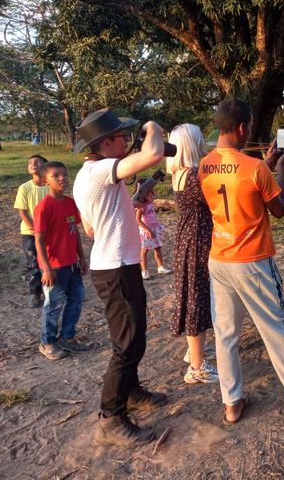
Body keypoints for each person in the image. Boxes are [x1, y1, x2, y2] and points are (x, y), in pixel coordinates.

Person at [199, 99, 284, 425]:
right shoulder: (254, 169)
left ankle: (231, 403)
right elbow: (279, 208)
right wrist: (278, 168)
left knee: (226, 335)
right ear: (242, 127)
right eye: (250, 126)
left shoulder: (205, 165)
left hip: (219, 258)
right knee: (275, 325)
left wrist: (266, 164)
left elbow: (236, 184)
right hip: (252, 260)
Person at [73, 108, 168, 446]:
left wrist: (133, 203)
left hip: (115, 265)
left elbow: (92, 227)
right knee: (128, 344)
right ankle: (110, 418)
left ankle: (131, 392)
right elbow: (153, 154)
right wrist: (152, 125)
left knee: (131, 336)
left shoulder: (87, 175)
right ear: (106, 143)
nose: (127, 141)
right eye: (123, 136)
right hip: (116, 268)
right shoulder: (101, 170)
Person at [167, 123, 218, 385]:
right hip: (199, 241)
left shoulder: (179, 173)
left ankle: (195, 350)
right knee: (197, 298)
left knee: (192, 295)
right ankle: (197, 367)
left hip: (187, 239)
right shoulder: (195, 175)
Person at [34, 161, 88, 360]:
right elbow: (38, 240)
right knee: (53, 304)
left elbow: (75, 232)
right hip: (55, 266)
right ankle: (47, 341)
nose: (62, 178)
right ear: (45, 181)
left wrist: (82, 257)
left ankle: (67, 336)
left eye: (64, 174)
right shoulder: (44, 207)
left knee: (76, 298)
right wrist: (47, 268)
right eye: (55, 175)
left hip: (72, 263)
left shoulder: (70, 203)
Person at [13, 154, 49, 308]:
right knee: (33, 262)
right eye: (30, 163)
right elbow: (22, 211)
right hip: (30, 232)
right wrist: (35, 229)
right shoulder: (25, 188)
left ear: (45, 166)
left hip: (49, 231)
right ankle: (35, 293)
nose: (33, 164)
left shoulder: (51, 186)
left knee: (50, 260)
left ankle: (53, 290)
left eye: (37, 162)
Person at [135, 182, 172, 280]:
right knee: (145, 250)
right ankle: (144, 271)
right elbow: (138, 220)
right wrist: (148, 230)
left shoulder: (150, 203)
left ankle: (160, 267)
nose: (152, 193)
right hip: (146, 230)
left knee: (157, 247)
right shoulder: (140, 206)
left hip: (155, 228)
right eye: (150, 191)